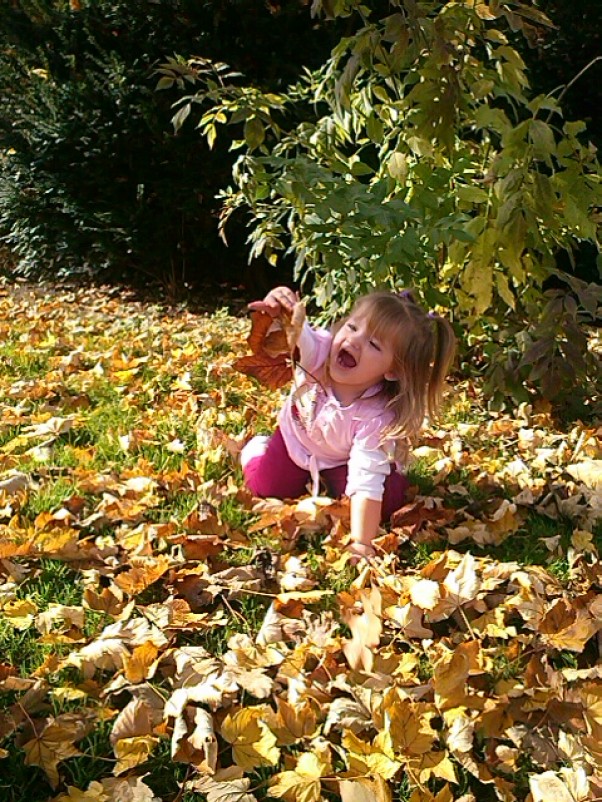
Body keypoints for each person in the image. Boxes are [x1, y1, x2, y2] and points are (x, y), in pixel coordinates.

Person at [240, 286, 456, 560]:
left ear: (392, 371)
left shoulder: (376, 416)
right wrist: (279, 310)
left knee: (387, 502)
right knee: (266, 488)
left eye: (374, 344)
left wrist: (361, 543)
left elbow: (365, 480)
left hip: (341, 457)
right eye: (352, 327)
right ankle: (256, 448)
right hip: (297, 437)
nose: (354, 341)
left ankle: (381, 474)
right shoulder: (317, 352)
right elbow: (294, 334)